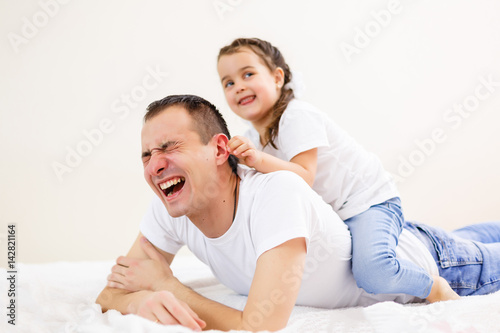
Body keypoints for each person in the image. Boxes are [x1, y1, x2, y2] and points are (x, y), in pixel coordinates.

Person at [96, 94, 500, 332]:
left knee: (469, 248)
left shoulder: (277, 192)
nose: (154, 165)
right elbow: (112, 292)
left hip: (441, 266)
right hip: (416, 237)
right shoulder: (171, 204)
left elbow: (260, 326)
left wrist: (169, 288)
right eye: (147, 155)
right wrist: (137, 304)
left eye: (169, 148)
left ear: (220, 150)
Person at [217, 37, 440, 301]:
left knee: (373, 273)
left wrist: (255, 159)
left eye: (248, 74)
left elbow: (304, 176)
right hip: (341, 216)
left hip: (369, 203)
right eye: (229, 83)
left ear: (277, 78)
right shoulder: (254, 140)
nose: (239, 87)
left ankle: (434, 287)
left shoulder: (296, 115)